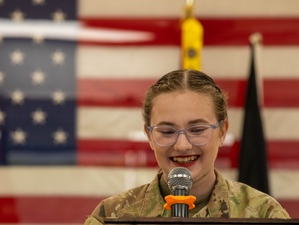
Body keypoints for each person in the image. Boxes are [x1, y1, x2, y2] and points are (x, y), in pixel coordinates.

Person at [84, 69, 290, 225]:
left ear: (223, 131)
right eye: (166, 132)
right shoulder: (111, 216)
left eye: (197, 130)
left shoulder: (264, 214)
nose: (182, 145)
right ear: (148, 135)